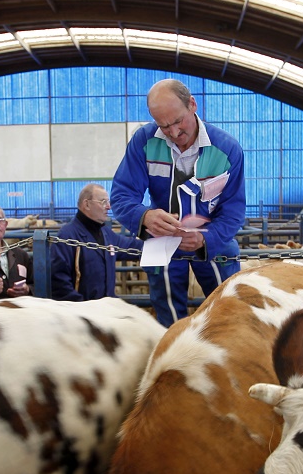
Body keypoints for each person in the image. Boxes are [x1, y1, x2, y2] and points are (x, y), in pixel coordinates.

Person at [111, 78, 246, 326]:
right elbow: (121, 195)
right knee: (168, 319)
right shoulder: (144, 141)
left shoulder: (227, 149)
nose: (174, 133)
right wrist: (144, 216)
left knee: (228, 314)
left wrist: (207, 239)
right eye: (163, 126)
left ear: (192, 104)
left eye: (177, 122)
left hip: (213, 243)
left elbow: (234, 211)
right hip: (162, 242)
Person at [50, 183, 143, 302]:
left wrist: (163, 245)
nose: (108, 207)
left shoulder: (106, 234)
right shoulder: (67, 237)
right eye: (103, 202)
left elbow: (132, 247)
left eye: (108, 202)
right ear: (87, 204)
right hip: (81, 313)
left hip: (106, 310)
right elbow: (59, 282)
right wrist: (83, 308)